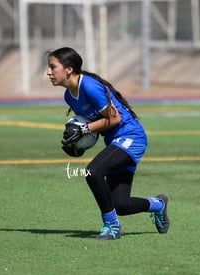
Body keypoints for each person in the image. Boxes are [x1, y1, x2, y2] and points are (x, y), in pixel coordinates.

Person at [46, 47, 169, 240]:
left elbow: (114, 119)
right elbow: (92, 125)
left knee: (92, 172)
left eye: (53, 67)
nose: (48, 72)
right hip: (114, 141)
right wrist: (78, 143)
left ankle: (112, 227)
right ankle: (158, 205)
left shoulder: (89, 86)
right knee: (120, 205)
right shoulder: (69, 96)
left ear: (69, 69)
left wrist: (84, 131)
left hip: (131, 136)